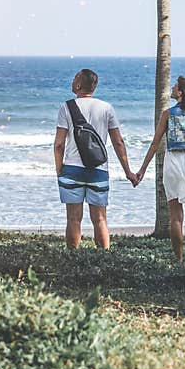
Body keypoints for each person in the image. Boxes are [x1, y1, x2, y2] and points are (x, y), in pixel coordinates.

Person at [54, 68, 138, 250]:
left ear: (78, 84)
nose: (72, 80)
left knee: (73, 219)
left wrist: (59, 168)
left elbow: (59, 144)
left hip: (72, 169)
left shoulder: (66, 107)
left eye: (74, 77)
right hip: (99, 170)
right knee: (100, 219)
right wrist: (128, 172)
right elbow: (118, 142)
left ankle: (73, 259)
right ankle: (103, 260)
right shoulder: (106, 108)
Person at [136, 76, 185, 264]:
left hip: (174, 163)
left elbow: (155, 143)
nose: (173, 88)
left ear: (181, 92)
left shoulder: (168, 114)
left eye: (175, 86)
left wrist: (142, 169)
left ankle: (179, 260)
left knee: (176, 217)